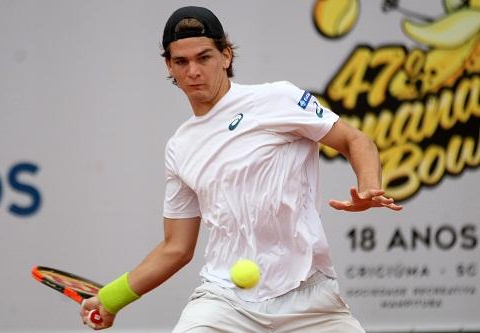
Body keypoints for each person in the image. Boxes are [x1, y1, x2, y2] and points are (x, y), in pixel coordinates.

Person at [80, 5, 403, 332]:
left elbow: (355, 140)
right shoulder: (180, 147)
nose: (193, 70)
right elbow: (176, 248)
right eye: (181, 61)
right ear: (169, 66)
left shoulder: (278, 98)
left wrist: (367, 185)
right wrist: (111, 298)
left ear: (226, 56)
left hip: (309, 297)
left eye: (204, 57)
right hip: (224, 300)